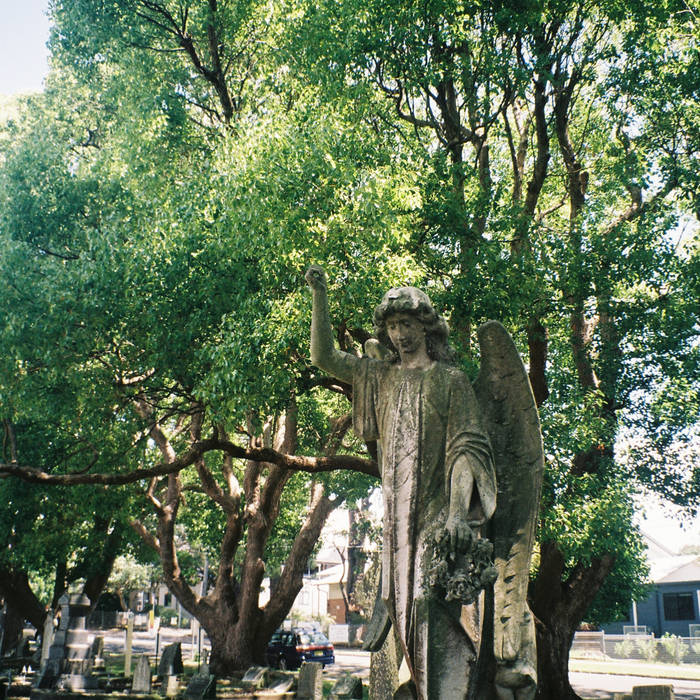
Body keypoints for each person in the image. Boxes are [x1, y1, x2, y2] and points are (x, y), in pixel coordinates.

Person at [306, 265, 497, 699]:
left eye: (407, 324)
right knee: (405, 610)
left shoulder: (450, 380)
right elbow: (325, 358)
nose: (399, 335)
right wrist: (320, 295)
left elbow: (466, 450)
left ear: (426, 326)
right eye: (392, 327)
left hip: (437, 514)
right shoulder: (381, 377)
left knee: (430, 603)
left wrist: (456, 515)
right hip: (397, 523)